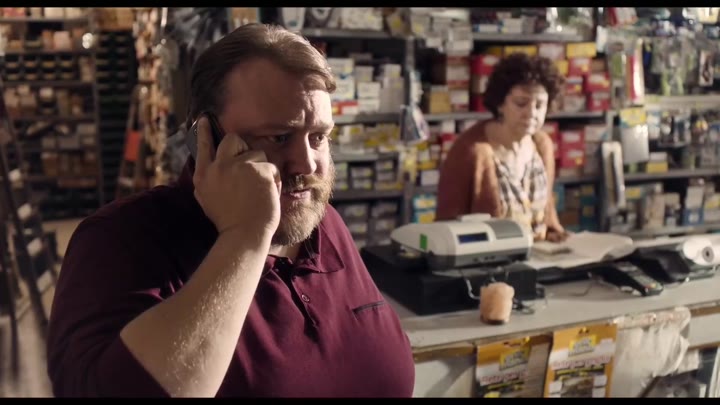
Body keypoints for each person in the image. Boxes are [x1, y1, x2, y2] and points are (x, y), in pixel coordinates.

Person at [46, 23, 415, 398]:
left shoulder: (324, 225)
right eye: (278, 137)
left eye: (319, 137)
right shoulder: (118, 241)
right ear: (204, 139)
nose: (306, 164)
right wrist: (245, 238)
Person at [435, 53, 568, 242]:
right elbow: (446, 226)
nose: (531, 113)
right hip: (489, 257)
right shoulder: (470, 151)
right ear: (500, 104)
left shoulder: (542, 144)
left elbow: (548, 213)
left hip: (540, 255)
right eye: (521, 103)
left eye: (540, 105)